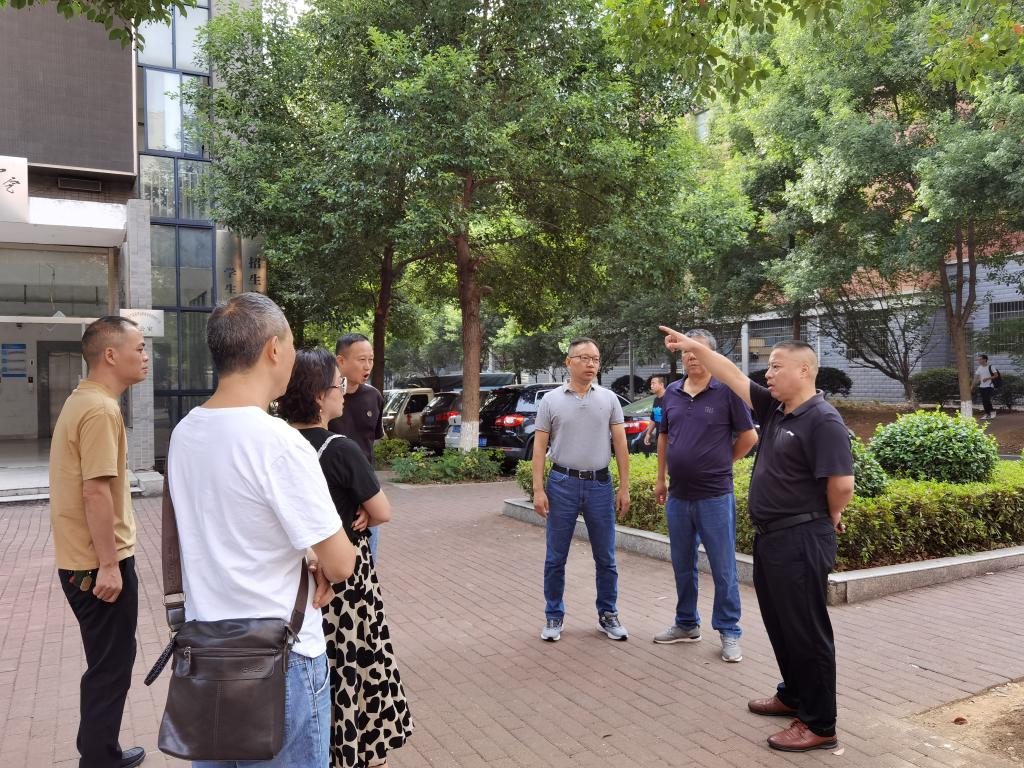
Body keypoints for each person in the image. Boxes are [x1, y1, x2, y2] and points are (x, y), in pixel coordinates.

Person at [167, 293, 356, 768]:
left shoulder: (185, 432)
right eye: (291, 343)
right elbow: (340, 563)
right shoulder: (278, 442)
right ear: (274, 349)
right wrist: (317, 560)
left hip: (207, 655)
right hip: (281, 660)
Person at [659, 325, 854, 753]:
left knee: (806, 629)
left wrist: (831, 515)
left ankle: (820, 723)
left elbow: (842, 484)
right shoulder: (777, 409)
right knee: (781, 624)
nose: (768, 374)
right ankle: (794, 695)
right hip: (773, 538)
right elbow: (730, 373)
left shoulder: (822, 420)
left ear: (804, 370)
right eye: (768, 368)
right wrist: (692, 347)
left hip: (801, 537)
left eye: (776, 367)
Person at [278, 348, 413, 768]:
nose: (343, 392)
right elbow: (382, 511)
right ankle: (359, 751)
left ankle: (317, 747)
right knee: (354, 665)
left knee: (312, 669)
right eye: (338, 385)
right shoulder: (339, 449)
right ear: (320, 395)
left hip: (292, 574)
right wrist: (364, 509)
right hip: (343, 576)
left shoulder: (276, 442)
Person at [50, 316, 149, 768]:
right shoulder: (101, 410)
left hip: (82, 560)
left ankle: (99, 751)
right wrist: (109, 565)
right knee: (111, 666)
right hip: (97, 565)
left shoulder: (83, 400)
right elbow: (96, 491)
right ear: (111, 354)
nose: (145, 356)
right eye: (139, 348)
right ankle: (98, 760)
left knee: (107, 663)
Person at [653, 330, 758, 663]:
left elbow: (749, 437)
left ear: (711, 355)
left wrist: (722, 462)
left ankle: (729, 630)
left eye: (697, 350)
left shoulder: (726, 391)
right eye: (686, 351)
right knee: (682, 564)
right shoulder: (671, 392)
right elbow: (663, 438)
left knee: (723, 567)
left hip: (715, 495)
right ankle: (686, 624)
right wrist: (660, 479)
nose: (691, 356)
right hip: (678, 496)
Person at [533, 337, 631, 642]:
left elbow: (621, 444)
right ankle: (553, 615)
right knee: (555, 557)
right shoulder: (550, 400)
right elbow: (539, 446)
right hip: (561, 484)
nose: (591, 364)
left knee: (606, 557)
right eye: (584, 358)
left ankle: (608, 614)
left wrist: (624, 487)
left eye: (595, 359)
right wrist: (538, 489)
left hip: (600, 485)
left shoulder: (609, 399)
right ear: (568, 362)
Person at [328, 333, 385, 560]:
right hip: (332, 497)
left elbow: (370, 447)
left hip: (365, 493)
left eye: (371, 359)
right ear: (340, 361)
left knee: (367, 565)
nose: (367, 366)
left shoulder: (374, 397)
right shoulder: (325, 399)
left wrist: (367, 500)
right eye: (361, 360)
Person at [637, 374, 667, 455]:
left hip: (670, 439)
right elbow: (653, 419)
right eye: (651, 384)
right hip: (659, 437)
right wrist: (648, 433)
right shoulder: (656, 400)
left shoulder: (669, 399)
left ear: (661, 385)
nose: (651, 386)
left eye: (653, 383)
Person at [973, 354, 999, 420]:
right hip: (982, 386)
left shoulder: (991, 367)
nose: (979, 361)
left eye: (980, 359)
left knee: (986, 399)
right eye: (978, 360)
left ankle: (989, 413)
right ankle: (989, 412)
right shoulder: (979, 368)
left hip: (989, 386)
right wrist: (972, 386)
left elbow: (996, 375)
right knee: (984, 400)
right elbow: (975, 377)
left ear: (985, 359)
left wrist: (987, 378)